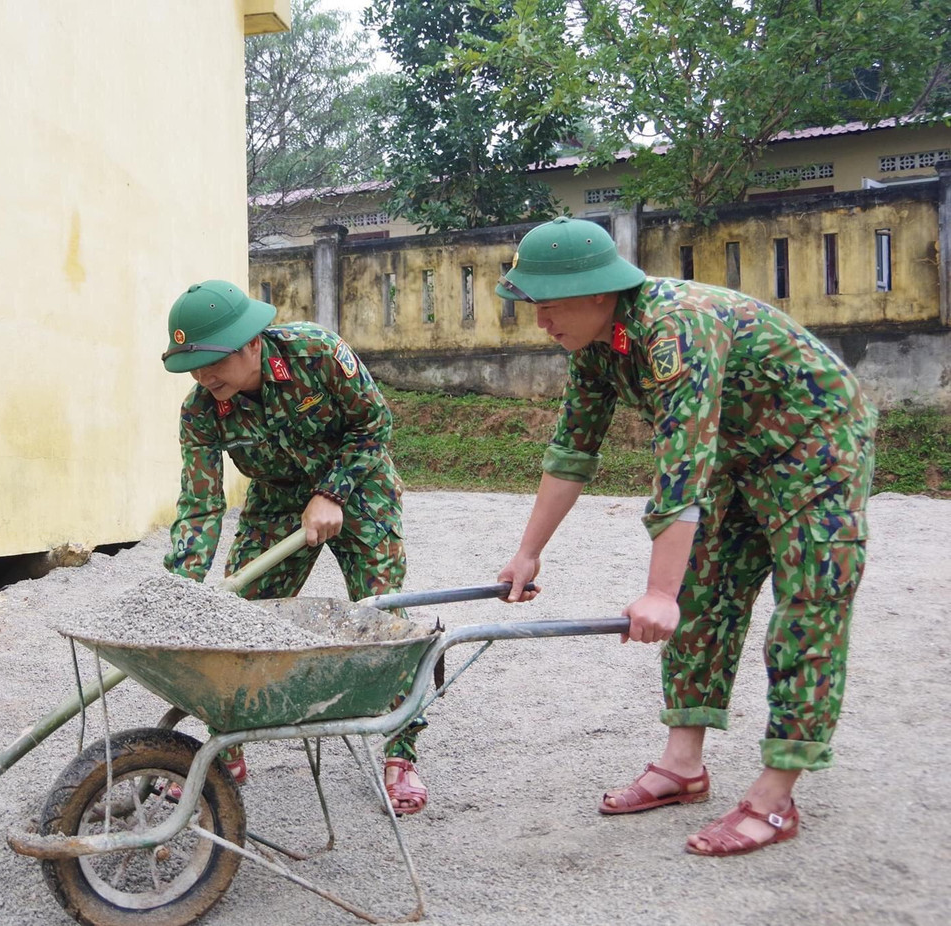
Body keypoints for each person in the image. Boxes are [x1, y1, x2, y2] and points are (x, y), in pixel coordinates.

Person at [494, 217, 875, 856]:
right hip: (734, 451)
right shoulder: (593, 343)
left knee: (810, 601)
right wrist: (527, 553)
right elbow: (571, 453)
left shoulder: (675, 326)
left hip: (816, 443)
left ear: (597, 293)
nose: (541, 323)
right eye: (534, 307)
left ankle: (776, 795)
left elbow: (681, 467)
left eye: (549, 307)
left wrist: (656, 593)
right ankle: (683, 766)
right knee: (705, 596)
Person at [161, 279, 428, 815]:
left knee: (381, 615)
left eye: (213, 360)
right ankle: (226, 749)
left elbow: (374, 426)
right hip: (277, 500)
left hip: (360, 488)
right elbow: (200, 506)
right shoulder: (201, 412)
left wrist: (333, 492)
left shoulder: (317, 353)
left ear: (253, 344)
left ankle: (401, 753)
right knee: (241, 620)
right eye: (192, 364)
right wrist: (177, 588)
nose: (202, 375)